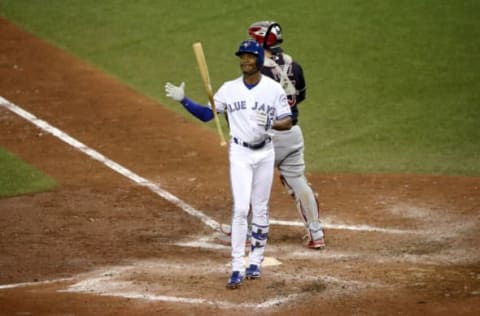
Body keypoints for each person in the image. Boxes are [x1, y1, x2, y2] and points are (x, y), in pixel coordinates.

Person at [165, 39, 292, 289]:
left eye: (249, 56)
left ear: (258, 59)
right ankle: (236, 266)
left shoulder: (273, 89)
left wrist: (268, 123)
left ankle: (255, 261)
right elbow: (206, 115)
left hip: (265, 153)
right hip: (240, 154)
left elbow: (286, 121)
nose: (244, 61)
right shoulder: (228, 89)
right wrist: (184, 100)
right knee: (241, 209)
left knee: (261, 208)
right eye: (242, 57)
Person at [248, 21, 326, 249]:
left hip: (266, 135)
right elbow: (299, 96)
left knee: (250, 183)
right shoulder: (294, 65)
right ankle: (316, 233)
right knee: (299, 183)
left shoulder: (258, 69)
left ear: (261, 42)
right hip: (292, 132)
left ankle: (247, 235)